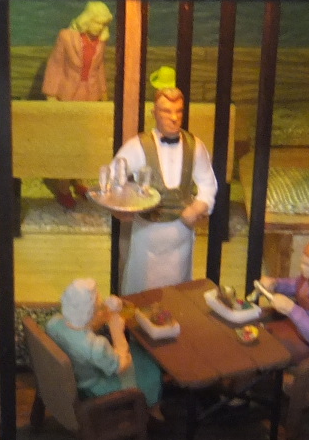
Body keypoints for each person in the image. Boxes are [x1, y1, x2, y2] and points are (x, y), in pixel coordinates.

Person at [112, 85, 217, 294]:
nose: (174, 118)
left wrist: (197, 208)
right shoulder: (138, 146)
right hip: (147, 235)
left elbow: (208, 184)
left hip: (180, 236)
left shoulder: (195, 146)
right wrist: (124, 205)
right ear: (154, 113)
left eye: (179, 111)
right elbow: (115, 177)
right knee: (142, 291)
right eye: (167, 111)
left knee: (177, 292)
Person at [39, 1, 114, 208]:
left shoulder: (101, 41)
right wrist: (51, 94)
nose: (100, 28)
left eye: (103, 24)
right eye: (97, 23)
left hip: (90, 95)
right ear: (87, 20)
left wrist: (103, 93)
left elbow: (99, 68)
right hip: (68, 94)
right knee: (66, 142)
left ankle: (78, 179)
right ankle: (63, 186)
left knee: (85, 141)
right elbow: (55, 64)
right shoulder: (66, 37)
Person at [45, 278, 163, 407]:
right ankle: (150, 405)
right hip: (94, 389)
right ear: (90, 313)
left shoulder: (53, 323)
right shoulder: (96, 347)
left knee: (138, 351)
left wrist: (105, 314)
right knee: (152, 367)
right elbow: (121, 366)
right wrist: (117, 333)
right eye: (98, 307)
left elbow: (82, 327)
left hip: (74, 376)